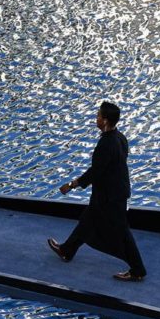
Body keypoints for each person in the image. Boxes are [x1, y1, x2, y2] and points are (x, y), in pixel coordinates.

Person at [48, 101, 147, 282]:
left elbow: (96, 171)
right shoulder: (120, 138)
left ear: (106, 120)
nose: (96, 118)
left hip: (110, 197)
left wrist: (71, 185)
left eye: (99, 116)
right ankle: (66, 250)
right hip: (113, 193)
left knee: (121, 232)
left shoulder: (106, 144)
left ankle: (138, 270)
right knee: (87, 220)